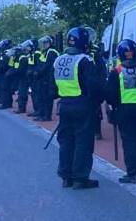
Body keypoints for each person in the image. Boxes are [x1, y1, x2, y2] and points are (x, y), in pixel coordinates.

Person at [54, 27, 105, 189]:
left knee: (66, 141)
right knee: (83, 142)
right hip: (82, 105)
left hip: (65, 104)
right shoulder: (85, 60)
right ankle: (80, 178)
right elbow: (94, 86)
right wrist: (97, 101)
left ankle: (66, 176)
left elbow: (52, 85)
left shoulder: (59, 60)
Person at [106, 39, 136, 183]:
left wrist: (113, 106)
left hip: (125, 111)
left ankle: (133, 173)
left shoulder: (117, 72)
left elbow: (110, 95)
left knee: (130, 142)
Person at [85, 26, 107, 140]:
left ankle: (97, 131)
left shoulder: (95, 52)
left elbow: (102, 70)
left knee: (96, 109)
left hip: (95, 85)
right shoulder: (79, 50)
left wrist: (101, 86)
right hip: (84, 85)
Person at [35, 35, 59, 121]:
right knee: (42, 96)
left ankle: (47, 116)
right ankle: (41, 114)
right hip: (43, 78)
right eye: (44, 43)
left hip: (49, 78)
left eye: (46, 43)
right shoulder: (45, 52)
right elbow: (41, 63)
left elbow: (48, 65)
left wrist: (39, 72)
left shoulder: (52, 52)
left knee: (47, 98)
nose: (44, 44)